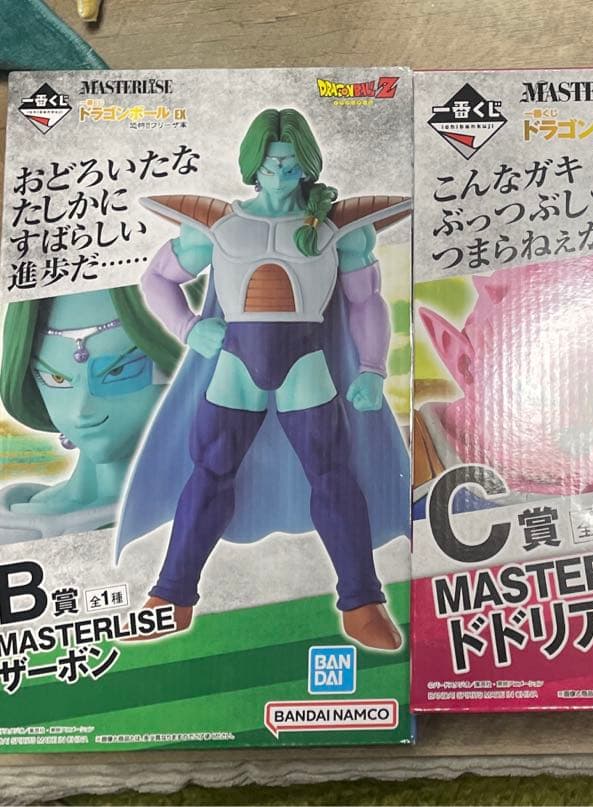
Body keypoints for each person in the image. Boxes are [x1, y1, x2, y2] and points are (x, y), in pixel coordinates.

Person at [116, 108, 411, 649]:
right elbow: (156, 278)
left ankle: (363, 602)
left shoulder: (338, 229)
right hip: (234, 363)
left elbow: (366, 302)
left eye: (290, 162)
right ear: (253, 164)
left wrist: (372, 368)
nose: (280, 172)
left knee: (332, 473)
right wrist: (188, 327)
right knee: (210, 471)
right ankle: (170, 596)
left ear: (307, 164)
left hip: (305, 363)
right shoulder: (218, 225)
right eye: (271, 162)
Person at [0, 287, 180, 542]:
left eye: (117, 372)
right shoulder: (13, 516)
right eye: (57, 379)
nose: (81, 410)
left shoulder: (197, 511)